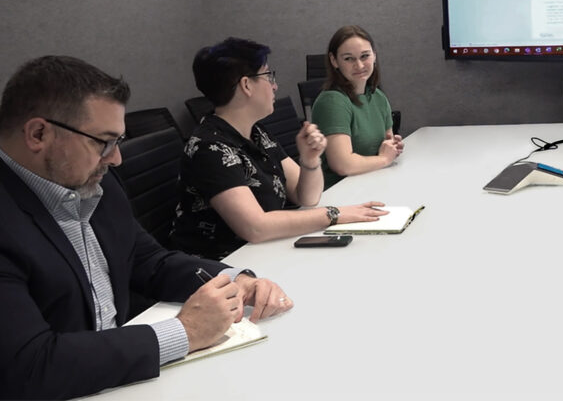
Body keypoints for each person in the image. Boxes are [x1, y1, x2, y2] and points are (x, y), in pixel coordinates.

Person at [0, 56, 292, 399]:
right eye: (103, 142)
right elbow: (28, 366)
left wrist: (235, 280)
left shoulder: (94, 183)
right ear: (38, 134)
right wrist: (184, 332)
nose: (116, 159)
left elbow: (147, 260)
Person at [170, 37, 386, 260]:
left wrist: (310, 160)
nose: (275, 85)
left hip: (268, 251)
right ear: (246, 85)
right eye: (268, 76)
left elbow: (306, 197)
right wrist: (334, 214)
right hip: (225, 267)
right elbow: (256, 227)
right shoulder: (210, 148)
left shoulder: (256, 132)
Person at [311, 25, 403, 188]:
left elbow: (386, 144)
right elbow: (342, 164)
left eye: (365, 56)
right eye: (348, 58)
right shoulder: (332, 101)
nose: (359, 65)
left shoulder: (378, 97)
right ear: (334, 61)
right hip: (340, 194)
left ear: (374, 55)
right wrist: (384, 159)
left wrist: (392, 148)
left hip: (373, 182)